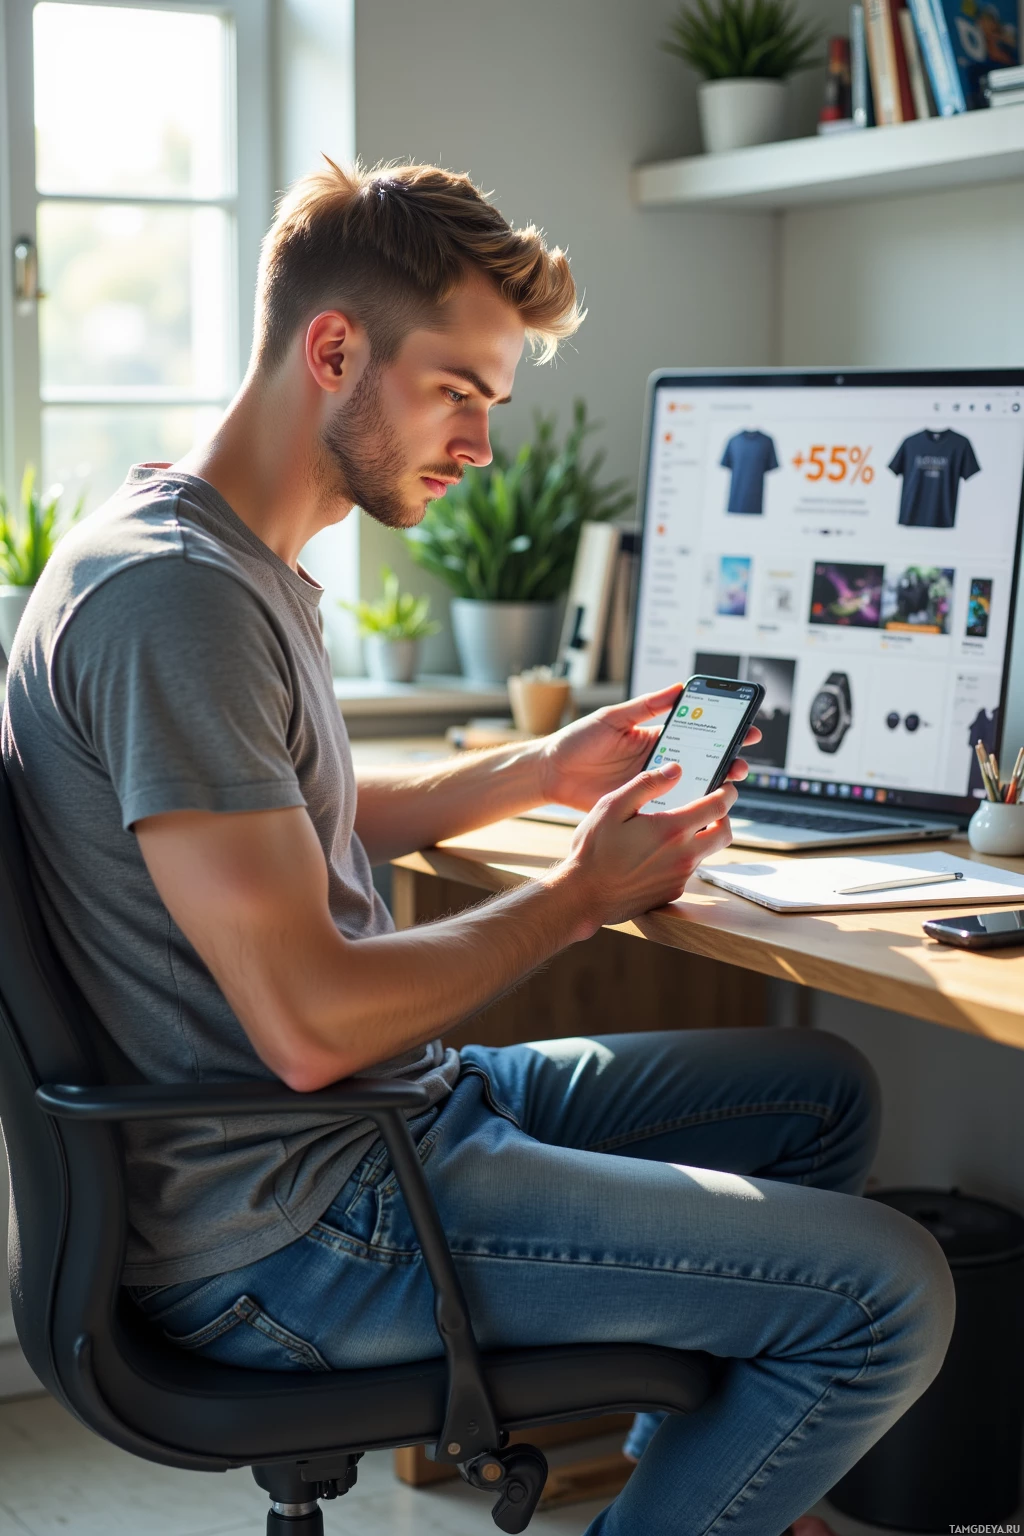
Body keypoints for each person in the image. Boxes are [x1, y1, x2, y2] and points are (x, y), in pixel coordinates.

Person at [2, 160, 954, 1536]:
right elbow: (313, 1025)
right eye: (457, 391)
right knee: (892, 1290)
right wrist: (581, 895)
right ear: (334, 349)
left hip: (374, 1131)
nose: (482, 446)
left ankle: (705, 1489)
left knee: (812, 1096)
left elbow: (296, 810)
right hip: (301, 1222)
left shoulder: (202, 550)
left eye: (493, 405)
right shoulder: (180, 604)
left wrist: (543, 769)